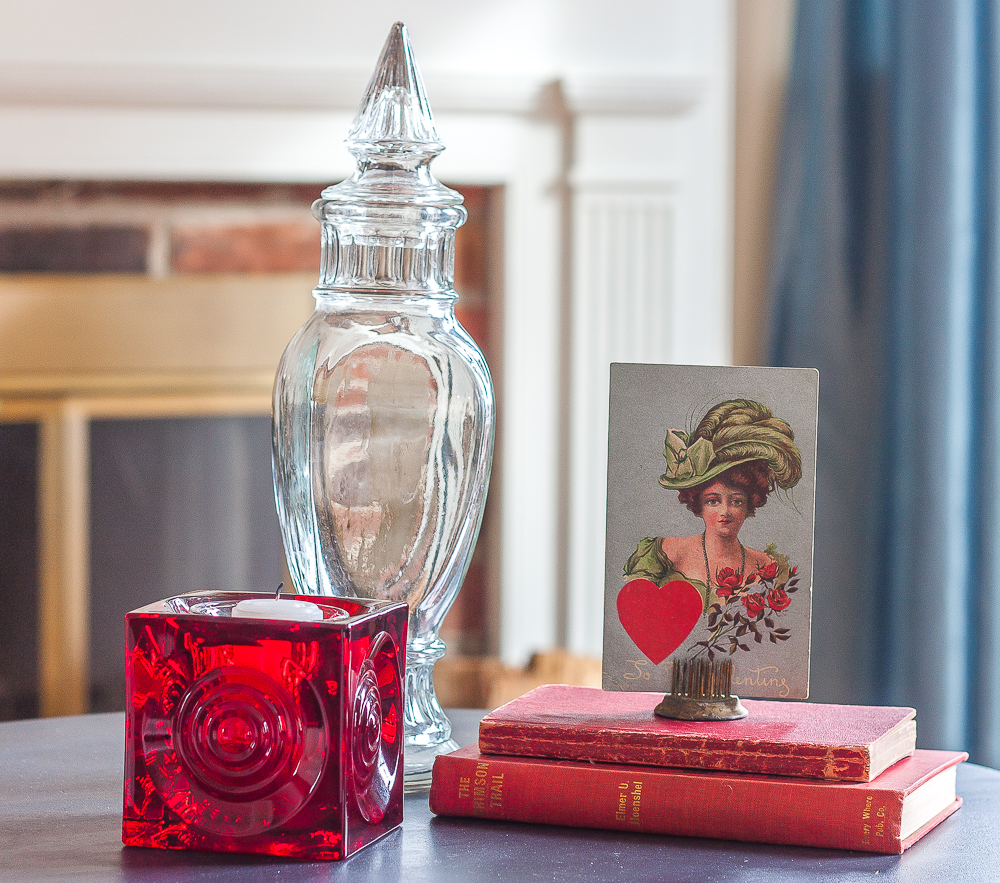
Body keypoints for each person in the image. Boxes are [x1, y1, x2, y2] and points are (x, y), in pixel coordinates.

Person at [624, 399, 802, 610]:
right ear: (698, 503)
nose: (725, 512)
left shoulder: (767, 567)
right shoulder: (667, 553)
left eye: (736, 501)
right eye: (713, 501)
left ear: (750, 505)